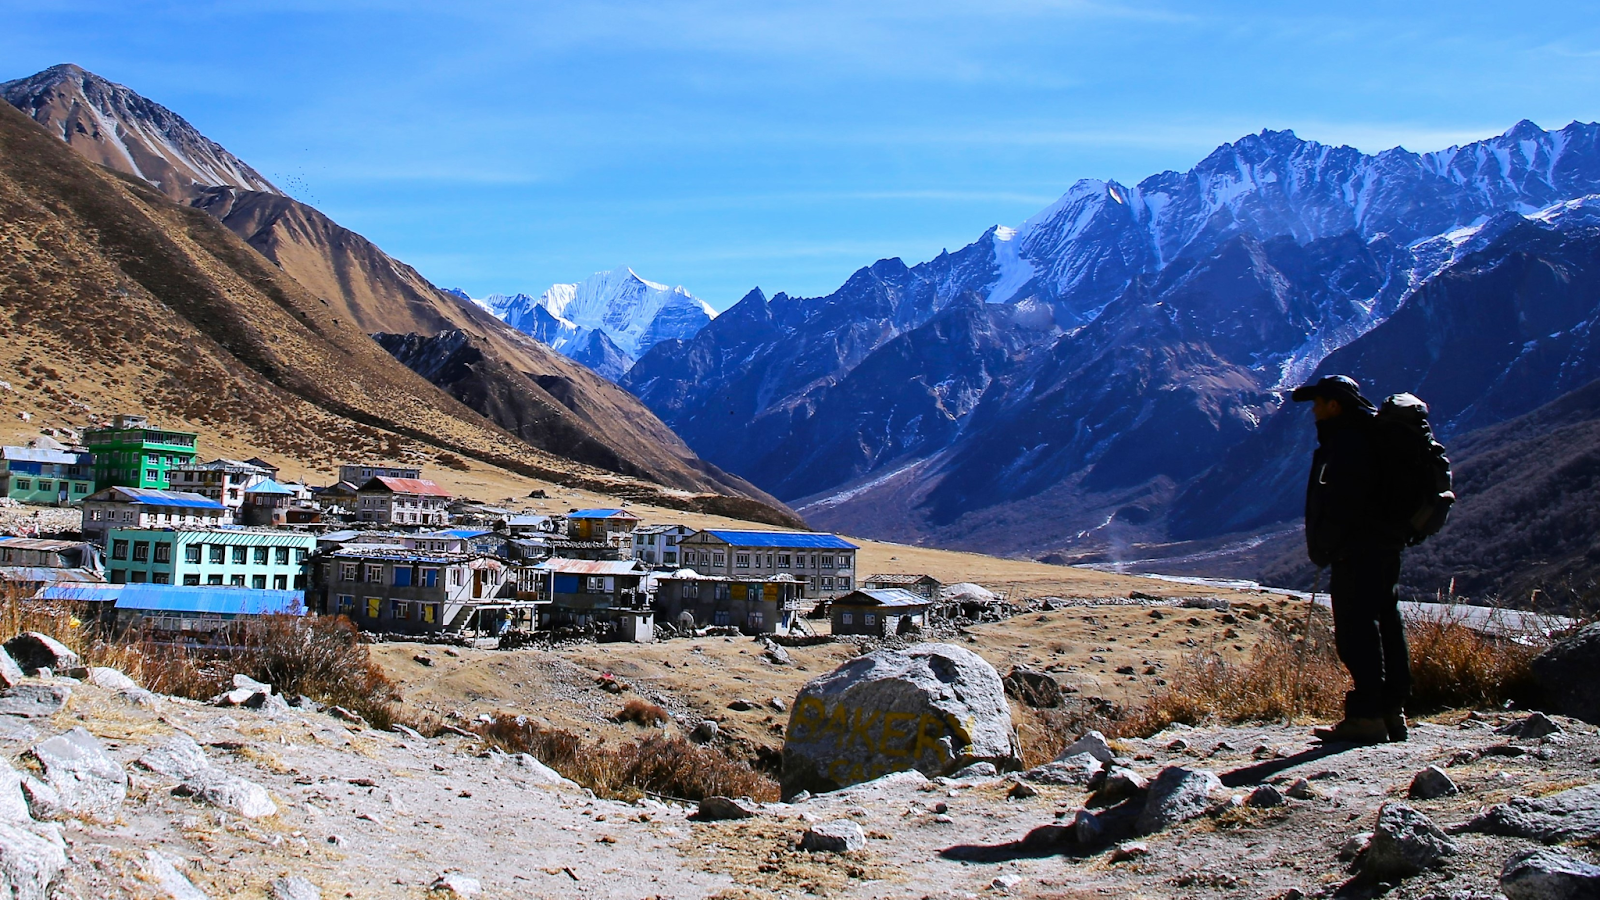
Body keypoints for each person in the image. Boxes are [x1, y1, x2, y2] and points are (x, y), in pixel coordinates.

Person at [1291, 374, 1410, 744]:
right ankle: (1392, 711)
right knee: (1387, 624)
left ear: (1334, 405)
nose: (1313, 410)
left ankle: (1366, 716)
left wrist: (1326, 546)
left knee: (1357, 634)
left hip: (1356, 552)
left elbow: (1343, 504)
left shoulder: (1347, 443)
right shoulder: (1373, 436)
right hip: (1385, 548)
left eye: (1318, 403)